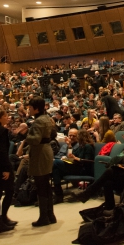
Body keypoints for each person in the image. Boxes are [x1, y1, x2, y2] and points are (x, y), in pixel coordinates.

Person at [26, 96, 58, 227]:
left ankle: (44, 217)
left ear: (36, 108)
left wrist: (26, 135)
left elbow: (35, 139)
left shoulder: (38, 121)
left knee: (41, 185)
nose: (28, 109)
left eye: (30, 107)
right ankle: (50, 215)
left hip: (40, 152)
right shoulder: (46, 118)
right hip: (46, 150)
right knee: (45, 184)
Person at [52, 129, 95, 204]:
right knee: (56, 170)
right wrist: (70, 149)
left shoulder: (88, 146)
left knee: (56, 162)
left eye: (76, 136)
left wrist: (76, 158)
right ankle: (58, 195)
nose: (72, 138)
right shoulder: (81, 146)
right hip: (76, 166)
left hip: (83, 169)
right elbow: (71, 156)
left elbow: (88, 161)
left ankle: (58, 195)